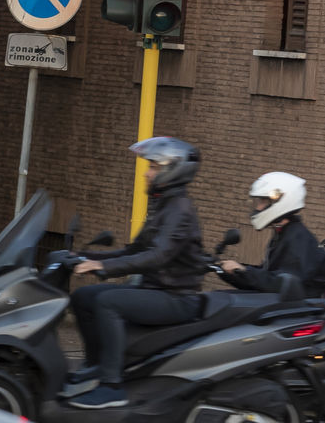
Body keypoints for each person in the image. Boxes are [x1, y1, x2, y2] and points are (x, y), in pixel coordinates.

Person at [66, 137, 214, 409]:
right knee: (84, 296)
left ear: (173, 170)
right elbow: (133, 250)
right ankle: (97, 364)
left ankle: (112, 386)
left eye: (154, 167)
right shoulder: (163, 206)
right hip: (155, 289)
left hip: (177, 297)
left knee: (107, 302)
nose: (147, 172)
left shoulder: (180, 210)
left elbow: (158, 255)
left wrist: (104, 268)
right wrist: (85, 257)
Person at [217, 172, 325, 299]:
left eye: (263, 202)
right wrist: (232, 271)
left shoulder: (299, 239)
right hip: (282, 306)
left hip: (295, 312)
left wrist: (245, 271)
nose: (258, 208)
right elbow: (268, 276)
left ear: (282, 200)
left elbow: (280, 283)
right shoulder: (283, 233)